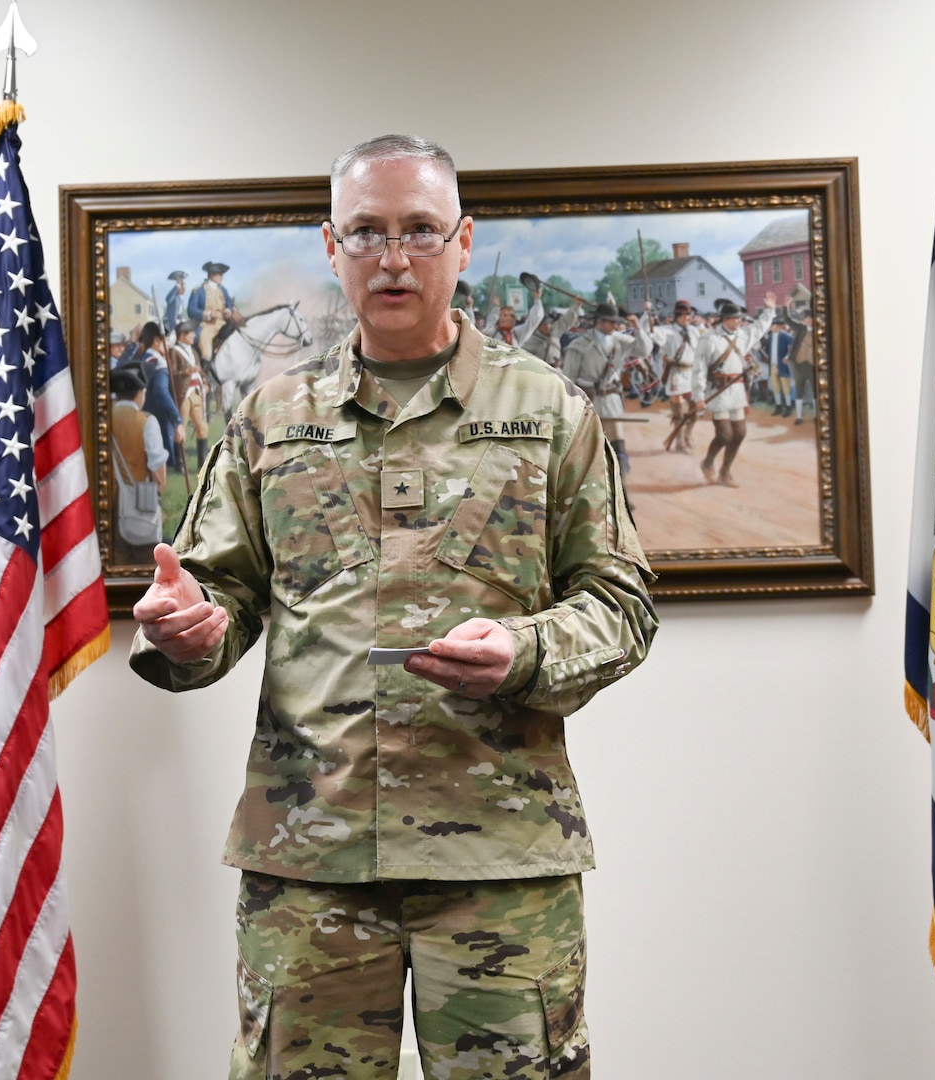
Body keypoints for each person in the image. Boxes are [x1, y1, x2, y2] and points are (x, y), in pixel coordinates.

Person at [128, 134, 657, 1080]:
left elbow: (621, 603)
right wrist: (192, 626)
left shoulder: (549, 411)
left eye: (419, 230)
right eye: (367, 232)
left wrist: (528, 651)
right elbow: (223, 595)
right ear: (333, 249)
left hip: (499, 862)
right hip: (309, 858)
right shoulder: (271, 415)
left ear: (461, 243)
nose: (394, 257)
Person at [692, 293, 777, 486]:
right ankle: (707, 463)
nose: (739, 322)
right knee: (724, 435)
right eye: (735, 318)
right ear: (725, 319)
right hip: (718, 392)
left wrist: (770, 311)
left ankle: (725, 472)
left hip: (737, 391)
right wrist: (698, 396)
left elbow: (759, 328)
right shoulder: (709, 339)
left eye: (740, 318)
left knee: (739, 433)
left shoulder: (743, 336)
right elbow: (699, 369)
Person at [560, 301, 651, 477]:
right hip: (587, 402)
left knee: (618, 449)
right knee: (589, 451)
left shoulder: (621, 341)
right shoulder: (579, 345)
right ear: (600, 321)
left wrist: (638, 327)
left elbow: (644, 350)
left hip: (611, 400)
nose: (616, 325)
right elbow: (568, 380)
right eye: (612, 321)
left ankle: (622, 493)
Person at [109, 364, 167, 564]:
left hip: (108, 507)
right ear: (140, 393)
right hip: (141, 506)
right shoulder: (146, 421)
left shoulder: (103, 419)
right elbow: (160, 478)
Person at [643, 299, 702, 453]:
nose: (688, 317)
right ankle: (680, 443)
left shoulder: (695, 331)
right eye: (684, 315)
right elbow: (649, 331)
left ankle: (688, 435)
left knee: (694, 412)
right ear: (677, 315)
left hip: (692, 374)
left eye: (689, 314)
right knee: (679, 414)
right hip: (676, 374)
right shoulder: (667, 331)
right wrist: (647, 313)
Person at [136, 322, 187, 472]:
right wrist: (177, 420)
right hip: (158, 422)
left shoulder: (142, 359)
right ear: (157, 341)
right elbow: (161, 392)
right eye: (165, 340)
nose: (168, 344)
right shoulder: (158, 363)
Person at [169, 318, 211, 471]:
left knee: (203, 428)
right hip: (184, 395)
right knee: (182, 429)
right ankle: (179, 464)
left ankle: (202, 464)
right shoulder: (174, 352)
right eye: (191, 333)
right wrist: (186, 372)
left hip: (197, 393)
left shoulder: (193, 351)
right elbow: (172, 374)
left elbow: (199, 371)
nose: (194, 336)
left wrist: (206, 384)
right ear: (182, 335)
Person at [188, 260, 239, 363]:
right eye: (219, 274)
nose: (222, 277)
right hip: (207, 325)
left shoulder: (223, 290)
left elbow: (228, 304)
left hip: (223, 323)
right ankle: (205, 374)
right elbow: (191, 310)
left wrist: (228, 311)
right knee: (206, 351)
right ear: (211, 275)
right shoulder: (199, 290)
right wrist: (208, 314)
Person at [162, 269, 189, 334]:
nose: (184, 290)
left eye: (184, 288)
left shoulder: (181, 299)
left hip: (178, 324)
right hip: (169, 325)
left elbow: (181, 313)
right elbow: (168, 299)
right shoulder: (174, 297)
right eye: (182, 288)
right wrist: (176, 286)